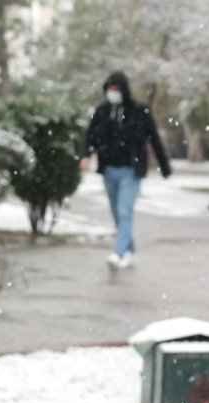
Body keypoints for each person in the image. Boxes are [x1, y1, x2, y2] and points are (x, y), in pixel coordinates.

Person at [79, 71, 172, 270]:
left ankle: (118, 252)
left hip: (131, 169)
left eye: (116, 89)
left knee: (124, 211)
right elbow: (91, 137)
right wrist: (86, 155)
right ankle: (129, 250)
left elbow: (153, 138)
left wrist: (164, 166)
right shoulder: (102, 112)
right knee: (116, 213)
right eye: (109, 89)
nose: (112, 93)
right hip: (108, 169)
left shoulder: (139, 111)